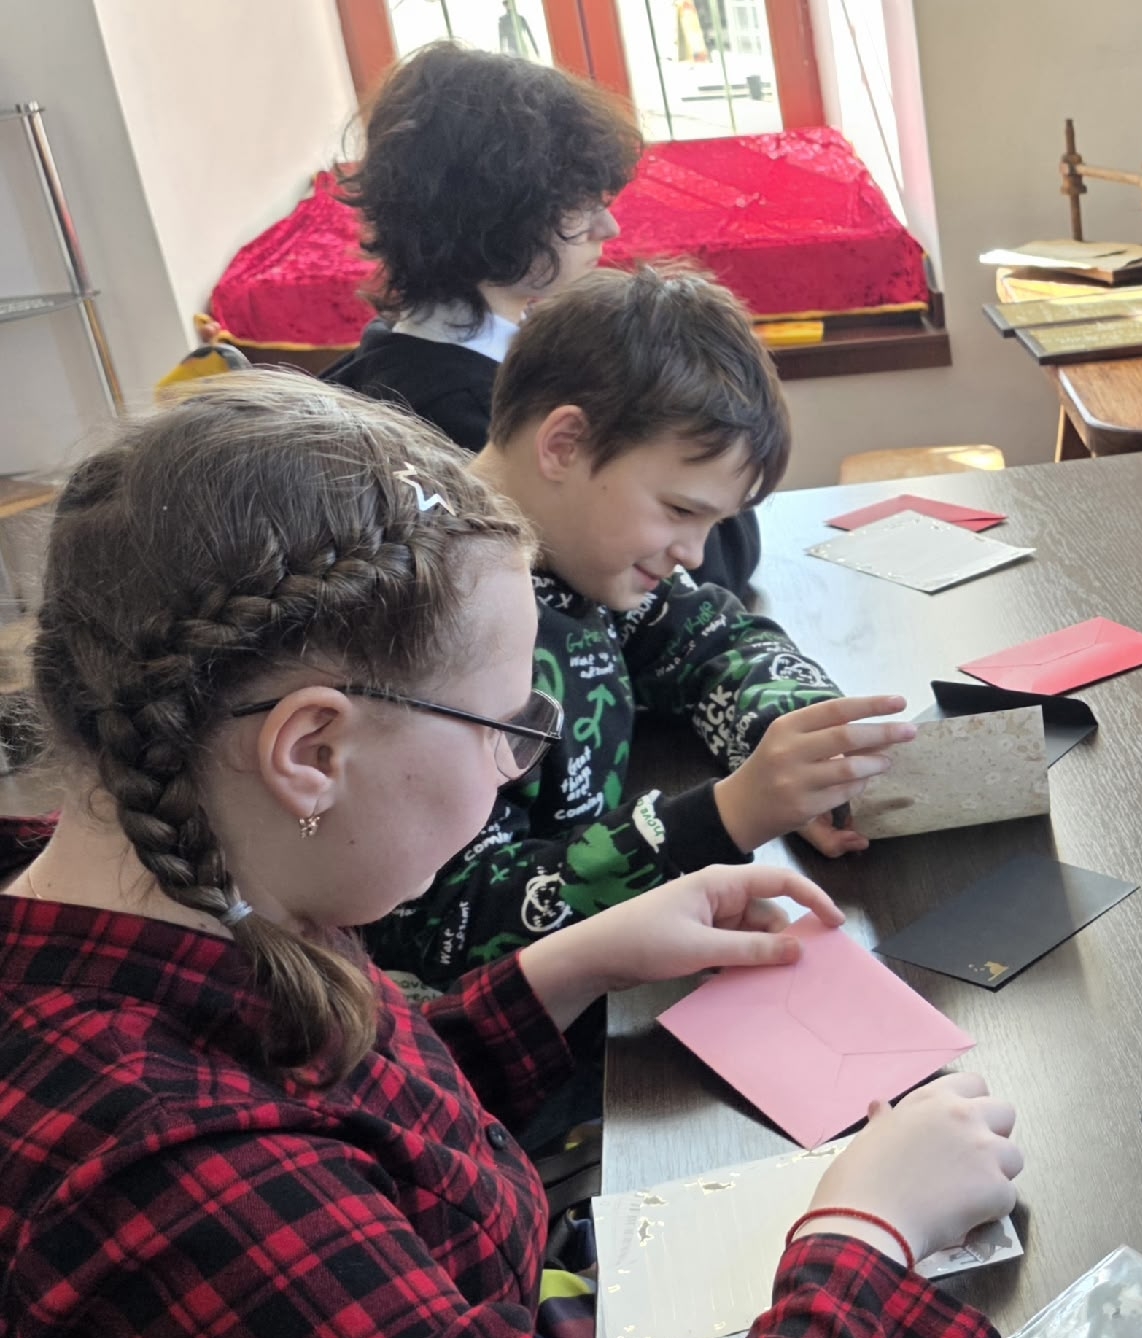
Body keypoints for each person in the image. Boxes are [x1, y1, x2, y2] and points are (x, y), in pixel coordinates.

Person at [0, 372, 1021, 1338]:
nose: (512, 768)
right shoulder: (178, 1187)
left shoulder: (196, 900)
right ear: (312, 751)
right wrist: (865, 1234)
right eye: (505, 728)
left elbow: (356, 1117)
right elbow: (292, 1170)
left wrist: (571, 964)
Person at [361, 262, 900, 988]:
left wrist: (802, 744)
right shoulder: (430, 632)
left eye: (712, 522)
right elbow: (452, 922)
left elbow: (713, 639)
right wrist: (723, 818)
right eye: (679, 510)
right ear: (564, 445)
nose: (695, 554)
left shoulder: (581, 558)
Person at [322, 41, 763, 595]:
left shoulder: (404, 358)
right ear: (499, 213)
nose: (607, 228)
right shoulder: (458, 418)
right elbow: (715, 564)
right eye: (578, 206)